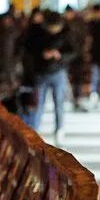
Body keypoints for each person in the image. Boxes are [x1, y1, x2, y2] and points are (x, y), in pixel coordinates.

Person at [21, 11, 75, 144]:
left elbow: (73, 51)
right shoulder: (36, 33)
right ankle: (35, 130)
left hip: (58, 72)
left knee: (59, 103)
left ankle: (59, 129)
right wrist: (41, 54)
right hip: (41, 73)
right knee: (39, 103)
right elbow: (28, 49)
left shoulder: (66, 32)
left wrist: (59, 54)